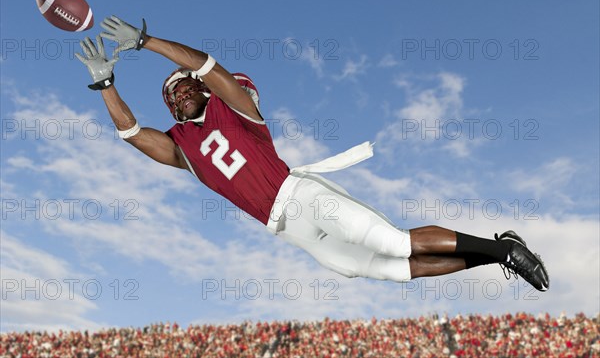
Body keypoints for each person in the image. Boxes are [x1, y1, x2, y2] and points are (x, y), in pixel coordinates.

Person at [75, 16, 549, 291]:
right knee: (389, 271)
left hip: (301, 195)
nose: (176, 98)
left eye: (181, 88)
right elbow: (135, 134)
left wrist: (146, 42)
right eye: (170, 98)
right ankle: (497, 253)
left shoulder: (235, 111)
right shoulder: (184, 149)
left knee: (395, 242)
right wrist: (106, 86)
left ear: (202, 91)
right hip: (285, 229)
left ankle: (502, 249)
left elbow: (206, 66)